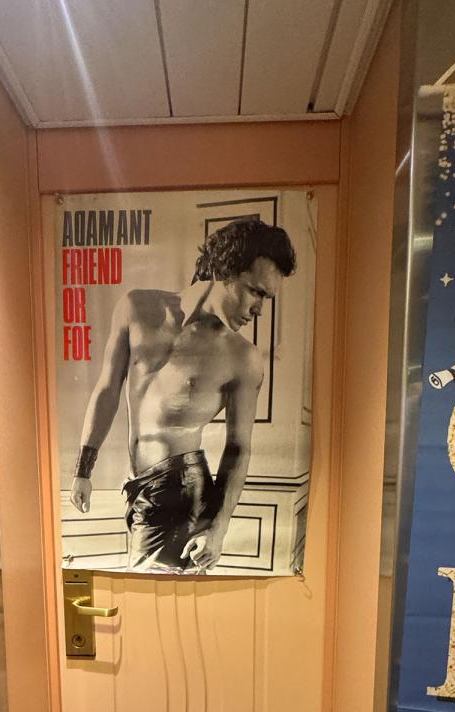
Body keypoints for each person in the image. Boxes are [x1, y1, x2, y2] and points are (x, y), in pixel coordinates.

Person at [70, 218, 297, 572]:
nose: (259, 310)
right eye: (255, 292)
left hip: (183, 494)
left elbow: (238, 449)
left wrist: (218, 530)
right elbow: (107, 388)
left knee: (149, 596)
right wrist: (83, 470)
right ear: (224, 270)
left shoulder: (243, 359)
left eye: (266, 298)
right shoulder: (136, 308)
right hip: (139, 489)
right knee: (149, 598)